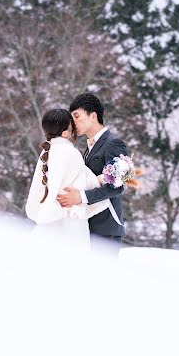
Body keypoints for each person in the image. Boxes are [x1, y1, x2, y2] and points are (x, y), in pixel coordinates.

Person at [26, 108, 122, 252]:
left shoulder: (46, 153)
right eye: (72, 123)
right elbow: (87, 183)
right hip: (70, 221)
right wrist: (105, 177)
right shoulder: (70, 153)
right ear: (65, 133)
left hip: (51, 218)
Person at [57, 93, 127, 256]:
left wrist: (81, 197)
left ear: (93, 116)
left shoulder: (113, 143)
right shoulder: (89, 147)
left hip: (106, 227)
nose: (72, 122)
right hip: (88, 227)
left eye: (76, 116)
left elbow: (116, 187)